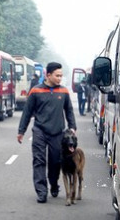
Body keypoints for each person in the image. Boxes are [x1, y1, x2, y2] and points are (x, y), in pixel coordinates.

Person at [18, 62, 76, 203]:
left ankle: (54, 184)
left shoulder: (63, 92)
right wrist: (21, 131)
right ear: (48, 75)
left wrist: (72, 127)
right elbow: (27, 112)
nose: (59, 78)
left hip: (57, 132)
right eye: (57, 75)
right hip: (39, 131)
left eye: (61, 76)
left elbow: (69, 110)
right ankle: (41, 192)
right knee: (39, 161)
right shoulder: (36, 91)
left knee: (55, 161)